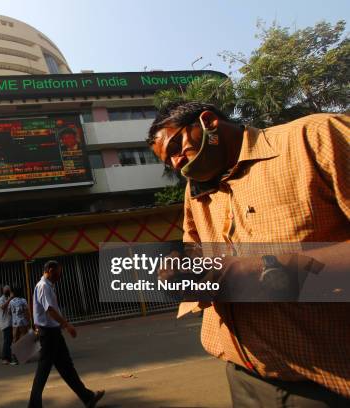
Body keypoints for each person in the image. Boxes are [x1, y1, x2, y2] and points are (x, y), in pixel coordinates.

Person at [148, 102, 350, 407]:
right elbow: (199, 260)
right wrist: (182, 276)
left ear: (209, 123)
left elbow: (238, 272)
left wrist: (258, 270)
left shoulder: (316, 137)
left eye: (176, 146)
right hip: (244, 378)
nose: (176, 163)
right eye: (168, 161)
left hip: (329, 384)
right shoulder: (195, 192)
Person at [28, 260, 105, 408]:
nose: (60, 275)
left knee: (66, 367)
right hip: (49, 334)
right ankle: (34, 405)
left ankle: (87, 397)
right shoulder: (44, 286)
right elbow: (49, 309)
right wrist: (67, 325)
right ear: (50, 270)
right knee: (43, 371)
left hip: (53, 332)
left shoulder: (47, 286)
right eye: (58, 271)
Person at [9, 287, 30, 365]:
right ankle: (24, 357)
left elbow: (9, 312)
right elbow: (26, 311)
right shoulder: (23, 300)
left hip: (15, 323)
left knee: (15, 340)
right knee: (24, 339)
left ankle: (14, 359)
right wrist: (28, 321)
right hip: (23, 322)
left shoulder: (11, 302)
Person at [0, 285, 13, 364]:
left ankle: (9, 357)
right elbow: (3, 307)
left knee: (10, 341)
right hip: (5, 323)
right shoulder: (1, 299)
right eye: (7, 290)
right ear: (3, 291)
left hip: (11, 323)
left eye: (9, 290)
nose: (8, 291)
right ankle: (4, 358)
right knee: (7, 341)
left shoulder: (8, 299)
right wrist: (10, 298)